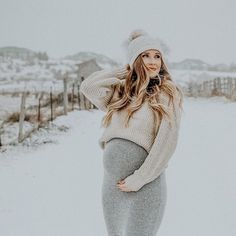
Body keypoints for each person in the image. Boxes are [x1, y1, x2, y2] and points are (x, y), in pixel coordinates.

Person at [79, 29, 184, 236]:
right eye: (145, 55)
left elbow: (167, 142)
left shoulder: (167, 93)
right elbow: (88, 87)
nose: (153, 61)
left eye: (157, 56)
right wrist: (126, 71)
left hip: (146, 184)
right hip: (112, 184)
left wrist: (139, 179)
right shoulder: (121, 92)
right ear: (135, 59)